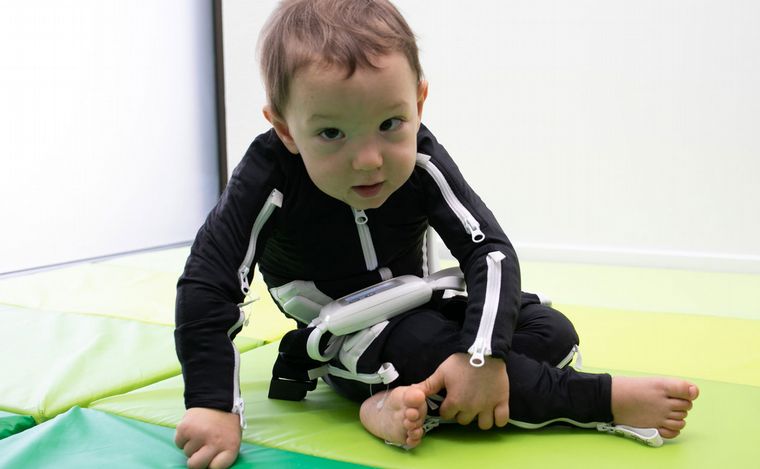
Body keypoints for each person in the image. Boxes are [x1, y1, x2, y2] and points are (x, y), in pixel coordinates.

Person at [173, 1, 699, 467]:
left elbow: (489, 252)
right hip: (347, 333)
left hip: (424, 302)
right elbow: (207, 282)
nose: (369, 159)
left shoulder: (422, 159)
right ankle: (599, 400)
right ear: (286, 129)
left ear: (418, 103)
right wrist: (212, 404)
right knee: (428, 351)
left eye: (390, 124)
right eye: (331, 133)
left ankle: (391, 405)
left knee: (551, 333)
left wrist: (481, 356)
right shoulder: (268, 176)